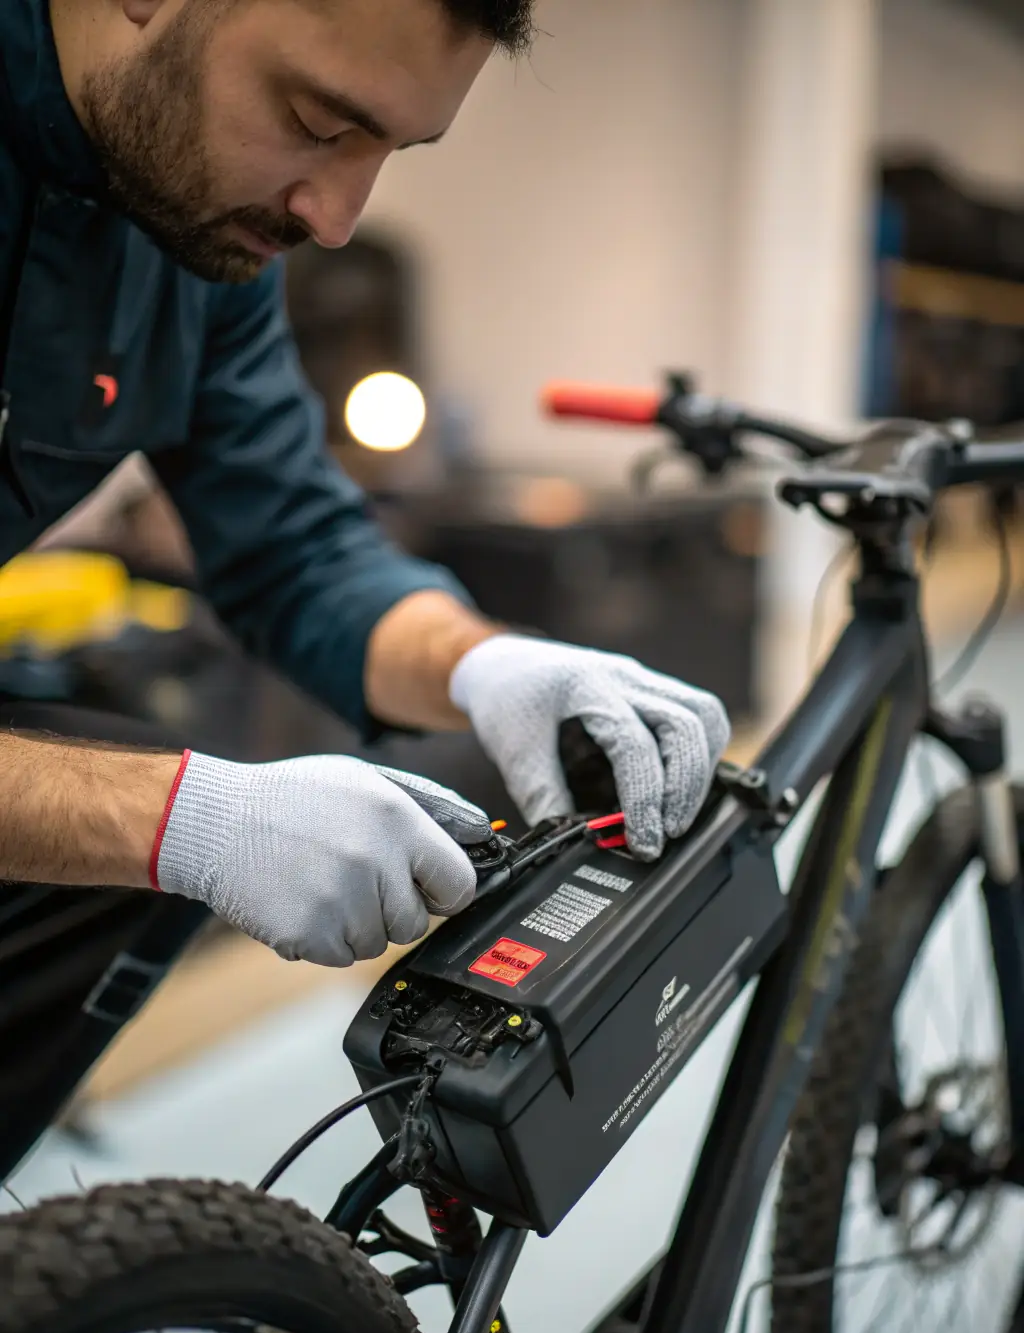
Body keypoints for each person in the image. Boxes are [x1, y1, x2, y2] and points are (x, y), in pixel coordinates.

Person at [0, 0, 730, 972]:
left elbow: (293, 547)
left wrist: (484, 665)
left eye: (391, 149)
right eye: (316, 124)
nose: (336, 222)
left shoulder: (195, 233)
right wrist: (174, 819)